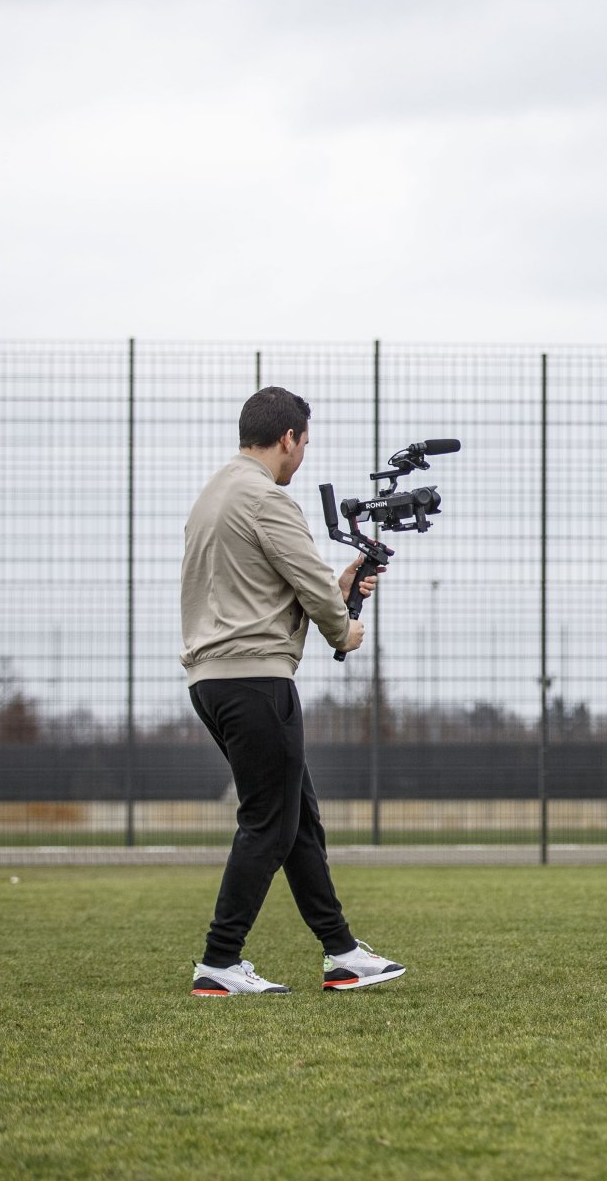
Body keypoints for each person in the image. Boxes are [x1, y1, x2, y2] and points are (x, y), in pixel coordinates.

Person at [180, 386, 407, 996]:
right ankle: (219, 961)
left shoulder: (214, 494)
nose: (302, 455)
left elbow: (259, 588)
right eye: (304, 443)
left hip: (214, 678)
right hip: (255, 679)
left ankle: (342, 952)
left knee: (296, 819)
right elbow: (309, 584)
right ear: (288, 438)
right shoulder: (267, 498)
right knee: (269, 824)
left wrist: (337, 587)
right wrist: (344, 627)